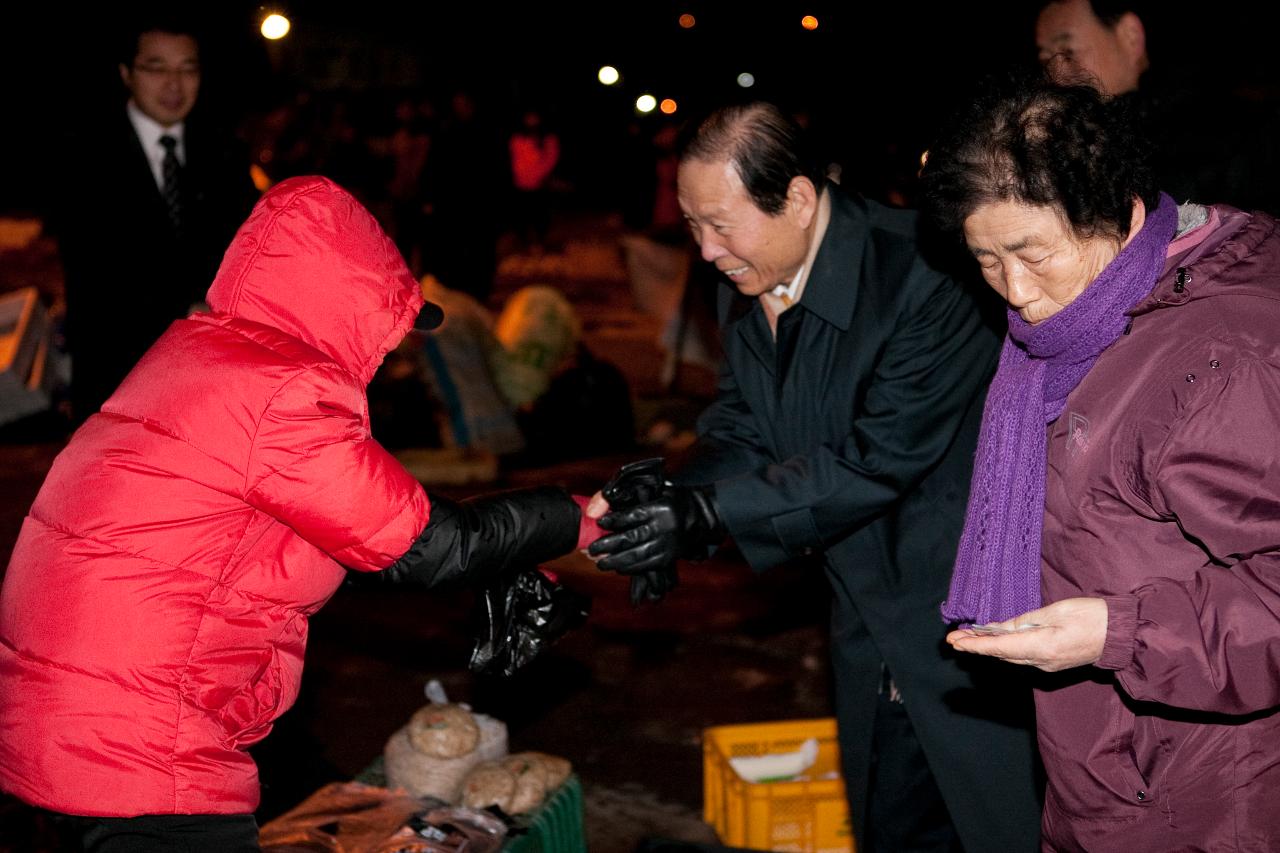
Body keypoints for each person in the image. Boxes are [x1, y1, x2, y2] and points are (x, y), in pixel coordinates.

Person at [0, 176, 600, 852]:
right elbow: (431, 544)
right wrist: (578, 518)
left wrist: (505, 564)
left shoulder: (198, 354)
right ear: (347, 304)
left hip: (64, 716)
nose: (389, 352)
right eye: (388, 326)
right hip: (137, 735)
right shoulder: (282, 391)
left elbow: (338, 539)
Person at [588, 102, 1041, 852]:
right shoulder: (750, 272)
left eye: (720, 224)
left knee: (995, 821)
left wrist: (707, 515)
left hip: (965, 612)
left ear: (797, 199)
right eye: (692, 226)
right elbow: (741, 423)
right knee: (890, 821)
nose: (704, 251)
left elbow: (875, 459)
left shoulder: (924, 271)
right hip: (864, 614)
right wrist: (674, 498)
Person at [921, 73, 1280, 851]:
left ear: (1118, 209)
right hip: (1102, 769)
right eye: (985, 259)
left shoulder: (1224, 357)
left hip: (1212, 798)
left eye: (1032, 254)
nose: (1015, 292)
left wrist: (1118, 632)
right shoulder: (1086, 324)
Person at [47, 14, 259, 423]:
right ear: (127, 73)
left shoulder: (224, 152)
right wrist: (187, 308)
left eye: (188, 69)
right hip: (120, 376)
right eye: (156, 68)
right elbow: (94, 265)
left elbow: (248, 245)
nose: (174, 85)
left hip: (209, 380)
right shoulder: (84, 154)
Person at [1034, 0, 1279, 214]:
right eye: (1045, 58)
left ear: (1131, 36)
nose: (1054, 73)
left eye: (1067, 51)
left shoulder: (1224, 132)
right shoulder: (1064, 144)